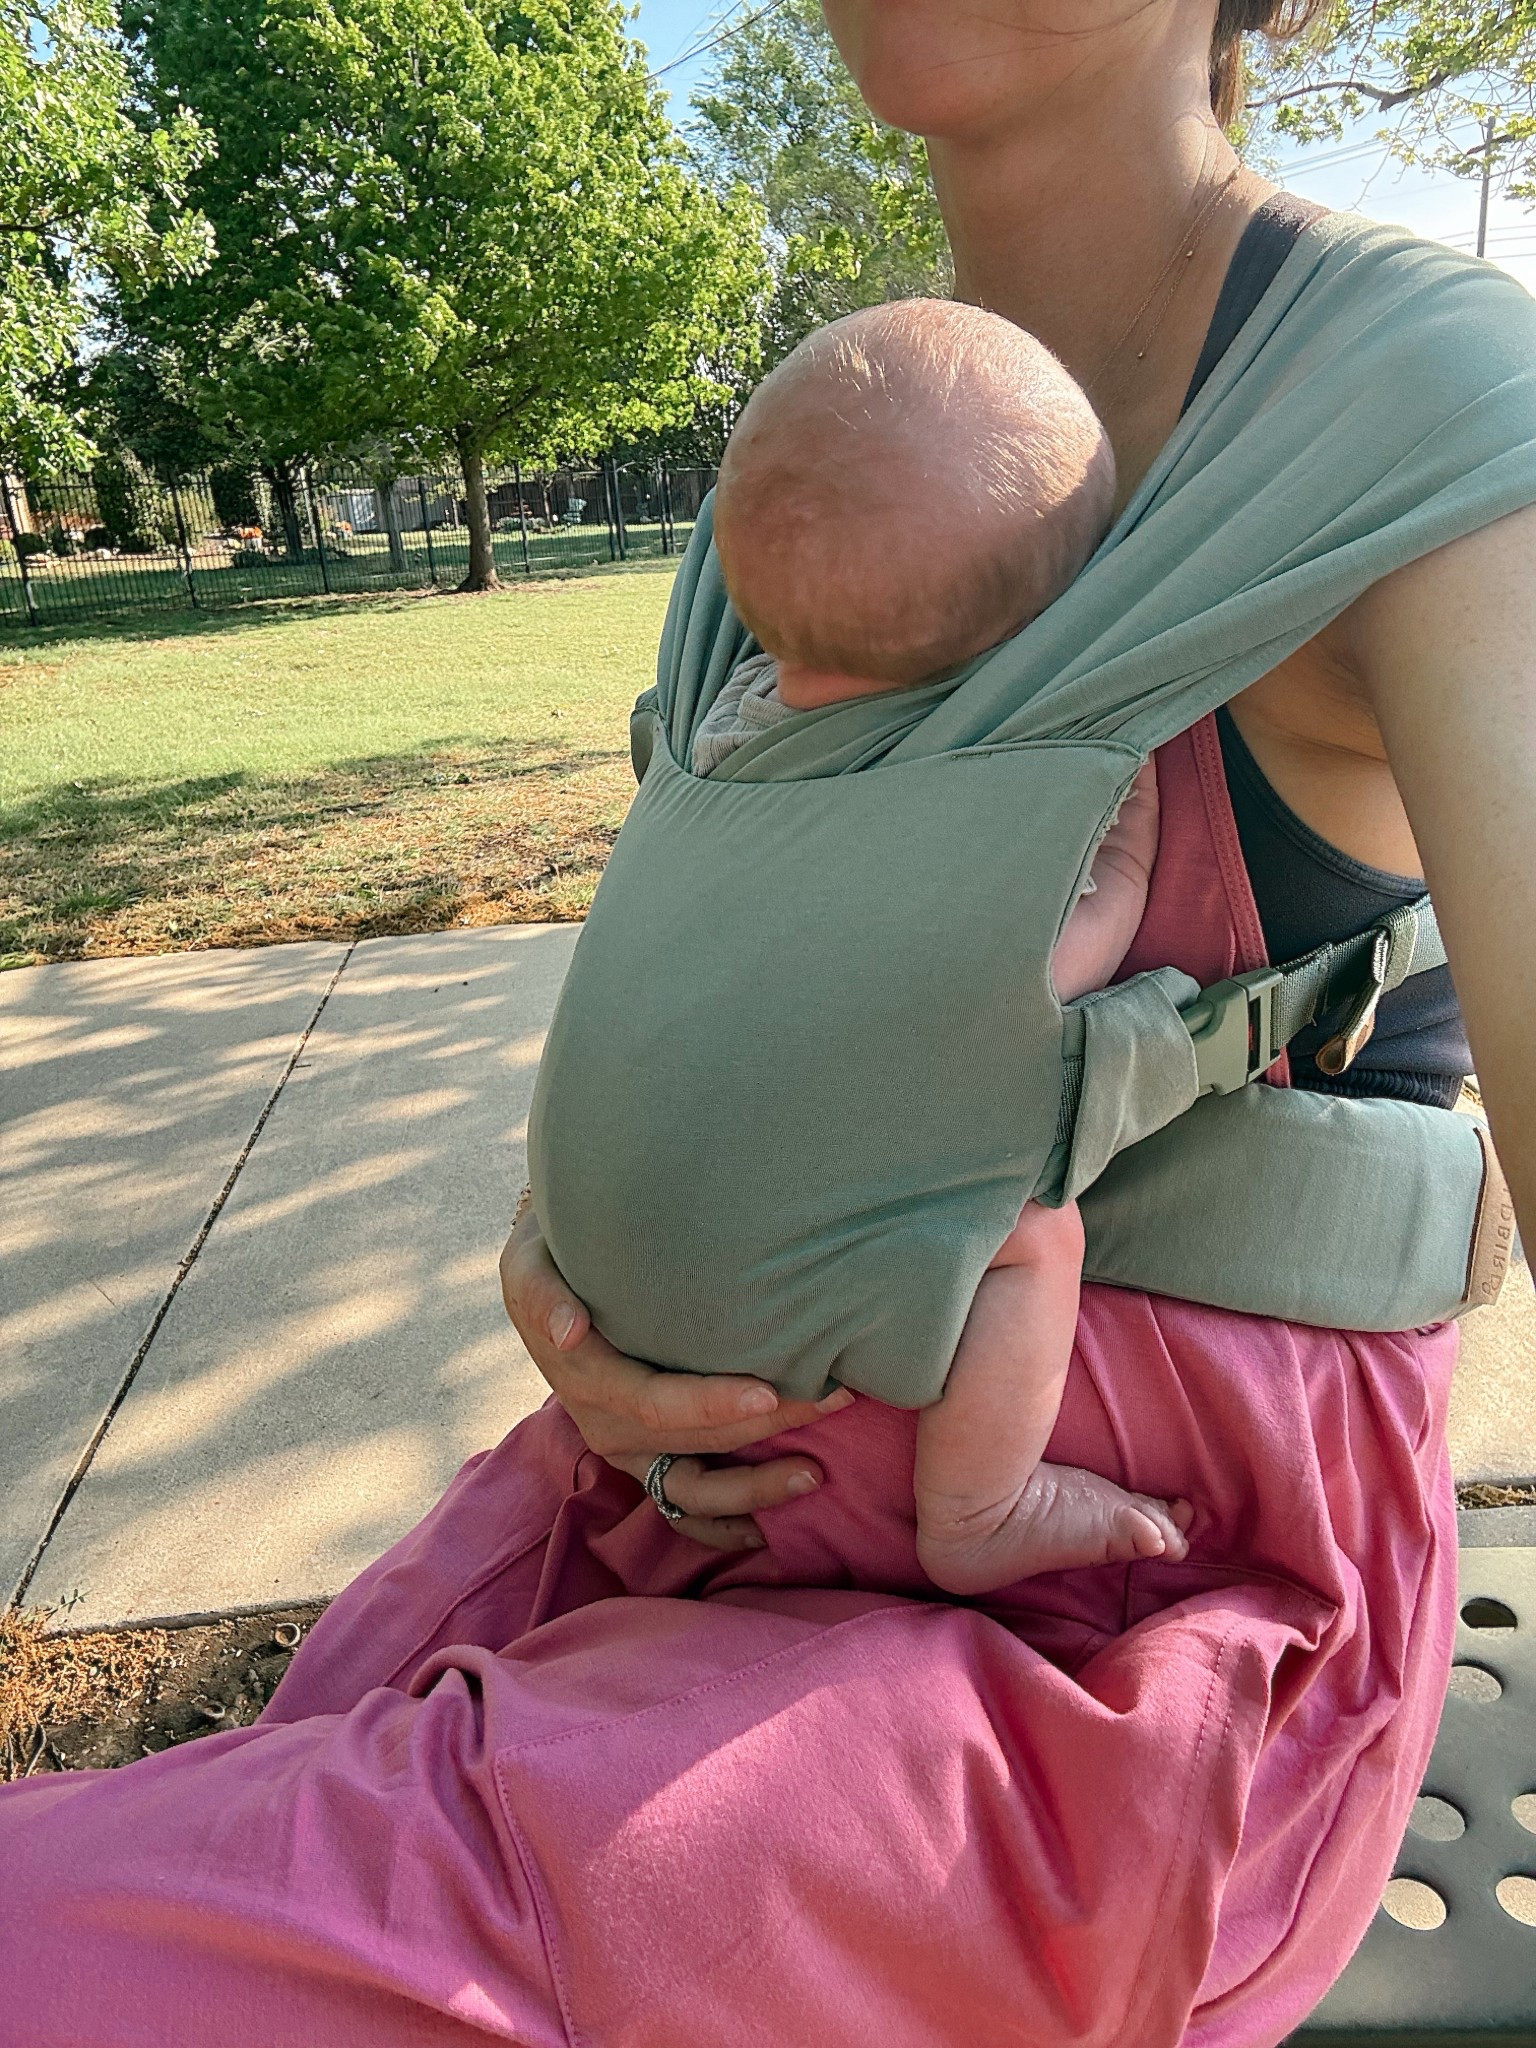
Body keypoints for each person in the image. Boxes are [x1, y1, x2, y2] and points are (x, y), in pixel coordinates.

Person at [3, 5, 1534, 2044]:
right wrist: (597, 1247)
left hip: (1119, 1683)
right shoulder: (830, 461)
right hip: (676, 1532)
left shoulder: (1419, 420)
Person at [641, 296, 1191, 1589]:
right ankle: (981, 1512)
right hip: (785, 1259)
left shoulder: (722, 729)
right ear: (1015, 649)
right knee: (1033, 1231)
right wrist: (1120, 856)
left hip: (627, 1227)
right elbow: (1031, 979)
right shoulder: (938, 790)